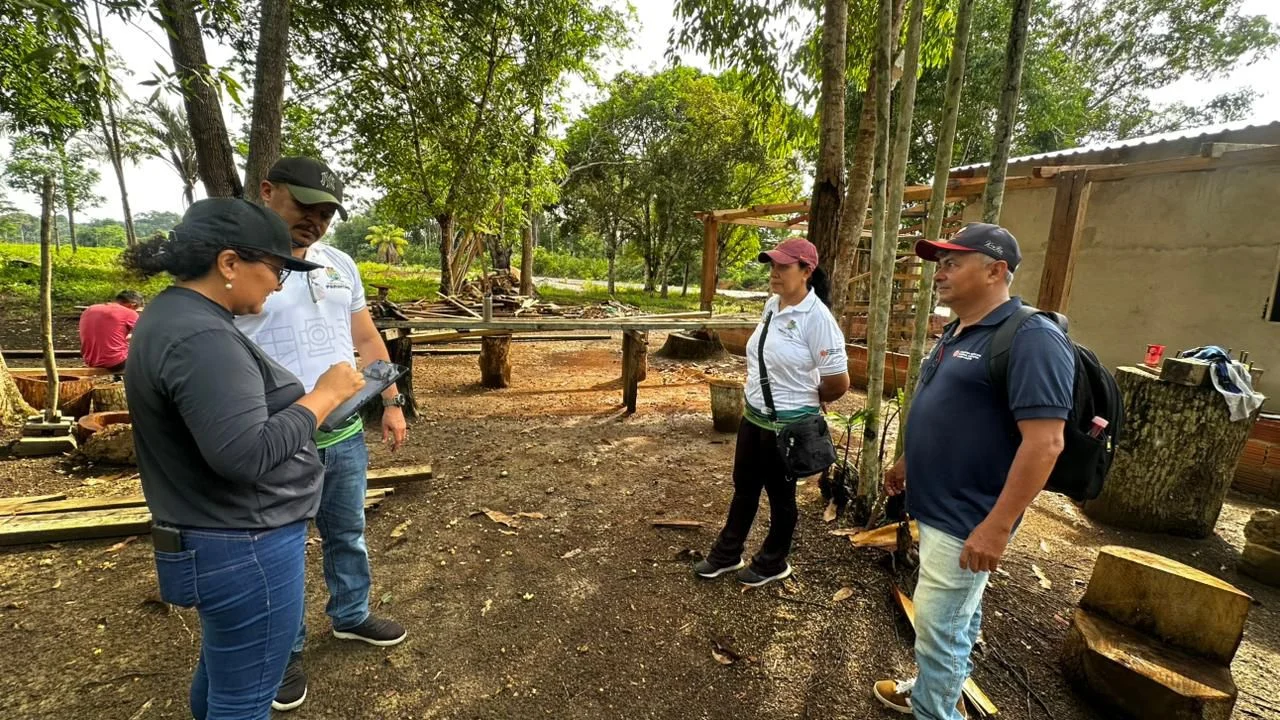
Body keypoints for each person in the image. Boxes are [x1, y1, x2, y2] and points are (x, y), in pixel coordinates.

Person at [121, 198, 366, 720]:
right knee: (246, 698)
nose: (278, 285)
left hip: (214, 534)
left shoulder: (173, 316)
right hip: (243, 544)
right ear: (230, 264)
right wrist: (323, 396)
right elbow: (246, 453)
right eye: (275, 270)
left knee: (225, 677)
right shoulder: (203, 337)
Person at [872, 223, 1074, 720]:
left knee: (938, 628)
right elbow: (949, 410)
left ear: (995, 270)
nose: (939, 274)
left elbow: (1046, 442)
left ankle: (935, 710)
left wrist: (997, 526)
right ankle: (931, 691)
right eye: (938, 264)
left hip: (969, 517)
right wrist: (907, 461)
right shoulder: (957, 330)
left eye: (951, 263)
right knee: (952, 621)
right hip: (939, 506)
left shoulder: (1031, 337)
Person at [234, 156, 409, 711]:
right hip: (278, 439)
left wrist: (391, 400)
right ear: (267, 191)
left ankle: (351, 616)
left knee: (347, 531)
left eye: (327, 210)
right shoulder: (240, 265)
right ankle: (283, 654)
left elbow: (365, 337)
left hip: (342, 434)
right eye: (305, 204)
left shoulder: (338, 264)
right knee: (280, 553)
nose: (317, 219)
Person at [694, 236, 850, 587]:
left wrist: (805, 397)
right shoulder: (772, 306)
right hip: (754, 417)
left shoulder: (817, 318)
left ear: (807, 271)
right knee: (744, 487)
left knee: (781, 497)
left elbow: (838, 383)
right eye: (773, 265)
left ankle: (772, 562)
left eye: (784, 266)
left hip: (790, 426)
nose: (775, 273)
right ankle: (727, 554)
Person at [79, 289, 143, 371]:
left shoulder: (90, 309)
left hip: (90, 361)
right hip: (116, 362)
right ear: (133, 305)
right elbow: (146, 334)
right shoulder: (129, 313)